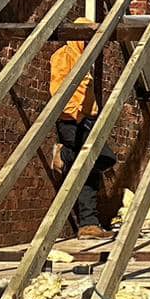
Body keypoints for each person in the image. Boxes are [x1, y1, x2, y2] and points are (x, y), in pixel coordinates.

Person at [48, 28, 114, 240]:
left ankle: (88, 224)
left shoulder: (85, 59)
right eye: (87, 37)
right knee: (101, 158)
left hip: (87, 120)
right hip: (72, 122)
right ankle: (64, 155)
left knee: (91, 169)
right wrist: (75, 114)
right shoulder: (64, 55)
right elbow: (58, 88)